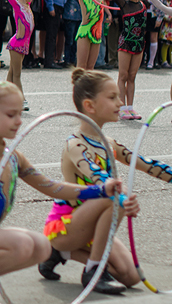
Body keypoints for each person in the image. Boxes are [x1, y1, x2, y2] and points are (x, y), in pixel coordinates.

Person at [0, 68, 129, 302]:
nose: (19, 121)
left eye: (19, 114)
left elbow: (51, 187)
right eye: (11, 115)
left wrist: (98, 189)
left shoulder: (13, 156)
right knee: (22, 245)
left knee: (41, 246)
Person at [37, 68, 172, 291]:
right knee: (114, 196)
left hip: (94, 225)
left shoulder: (108, 143)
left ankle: (59, 254)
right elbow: (96, 175)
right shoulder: (75, 144)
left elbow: (146, 164)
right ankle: (93, 270)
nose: (120, 102)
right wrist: (117, 190)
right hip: (68, 226)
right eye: (112, 97)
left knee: (130, 277)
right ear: (90, 106)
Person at [94, 0, 148, 120]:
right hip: (125, 43)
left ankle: (130, 107)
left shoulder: (144, 4)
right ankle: (121, 107)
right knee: (123, 75)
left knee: (132, 77)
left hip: (139, 44)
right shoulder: (123, 3)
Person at [0, 0, 42, 110]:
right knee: (17, 75)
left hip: (23, 45)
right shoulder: (17, 6)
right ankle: (21, 100)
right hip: (16, 44)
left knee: (11, 74)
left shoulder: (27, 5)